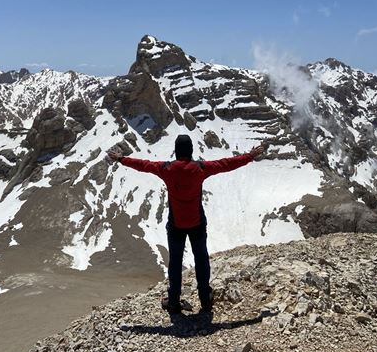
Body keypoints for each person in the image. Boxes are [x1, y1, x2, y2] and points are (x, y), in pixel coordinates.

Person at [107, 134, 267, 314]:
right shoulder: (200, 168)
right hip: (197, 223)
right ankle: (205, 299)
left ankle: (173, 302)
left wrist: (121, 159)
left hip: (176, 225)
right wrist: (250, 156)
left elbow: (143, 165)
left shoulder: (166, 169)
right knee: (201, 258)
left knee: (175, 262)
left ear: (176, 152)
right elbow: (226, 164)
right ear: (190, 151)